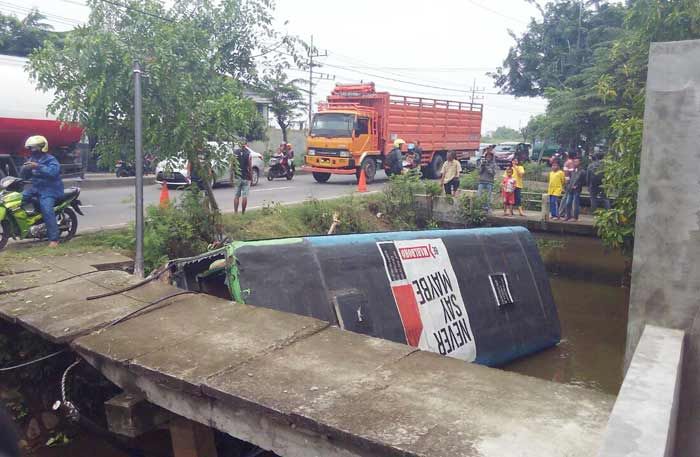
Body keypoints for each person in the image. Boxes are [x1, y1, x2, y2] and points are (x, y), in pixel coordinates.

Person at [20, 135, 63, 248]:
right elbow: (24, 176)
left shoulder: (51, 159)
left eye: (34, 147)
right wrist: (25, 169)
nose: (32, 150)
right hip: (35, 188)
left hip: (50, 190)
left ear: (42, 147)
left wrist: (38, 166)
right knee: (17, 200)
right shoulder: (32, 159)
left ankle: (54, 239)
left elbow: (53, 172)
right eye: (31, 148)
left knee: (47, 210)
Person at [563, 157, 586, 221]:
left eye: (576, 162)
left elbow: (584, 182)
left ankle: (575, 217)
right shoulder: (572, 171)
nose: (574, 163)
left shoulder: (582, 172)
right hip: (570, 189)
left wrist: (577, 186)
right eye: (574, 161)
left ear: (580, 163)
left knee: (575, 204)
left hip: (577, 190)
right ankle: (568, 216)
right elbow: (569, 179)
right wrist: (568, 185)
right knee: (568, 203)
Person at [233, 141, 252, 214]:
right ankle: (243, 213)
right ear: (246, 145)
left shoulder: (235, 152)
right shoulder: (248, 153)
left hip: (237, 176)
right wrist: (251, 176)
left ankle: (235, 212)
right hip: (246, 177)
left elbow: (232, 165)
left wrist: (231, 176)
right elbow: (250, 166)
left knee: (236, 196)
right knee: (245, 196)